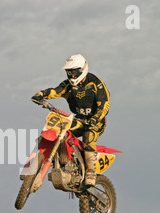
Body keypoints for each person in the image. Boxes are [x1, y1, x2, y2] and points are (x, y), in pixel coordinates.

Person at [32, 54, 110, 186]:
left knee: (88, 136)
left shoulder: (95, 82)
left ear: (82, 69)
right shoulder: (68, 85)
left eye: (74, 72)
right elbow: (55, 91)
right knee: (60, 131)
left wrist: (95, 118)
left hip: (96, 121)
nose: (72, 76)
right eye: (69, 72)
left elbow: (104, 104)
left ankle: (90, 171)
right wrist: (40, 95)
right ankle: (63, 161)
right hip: (79, 120)